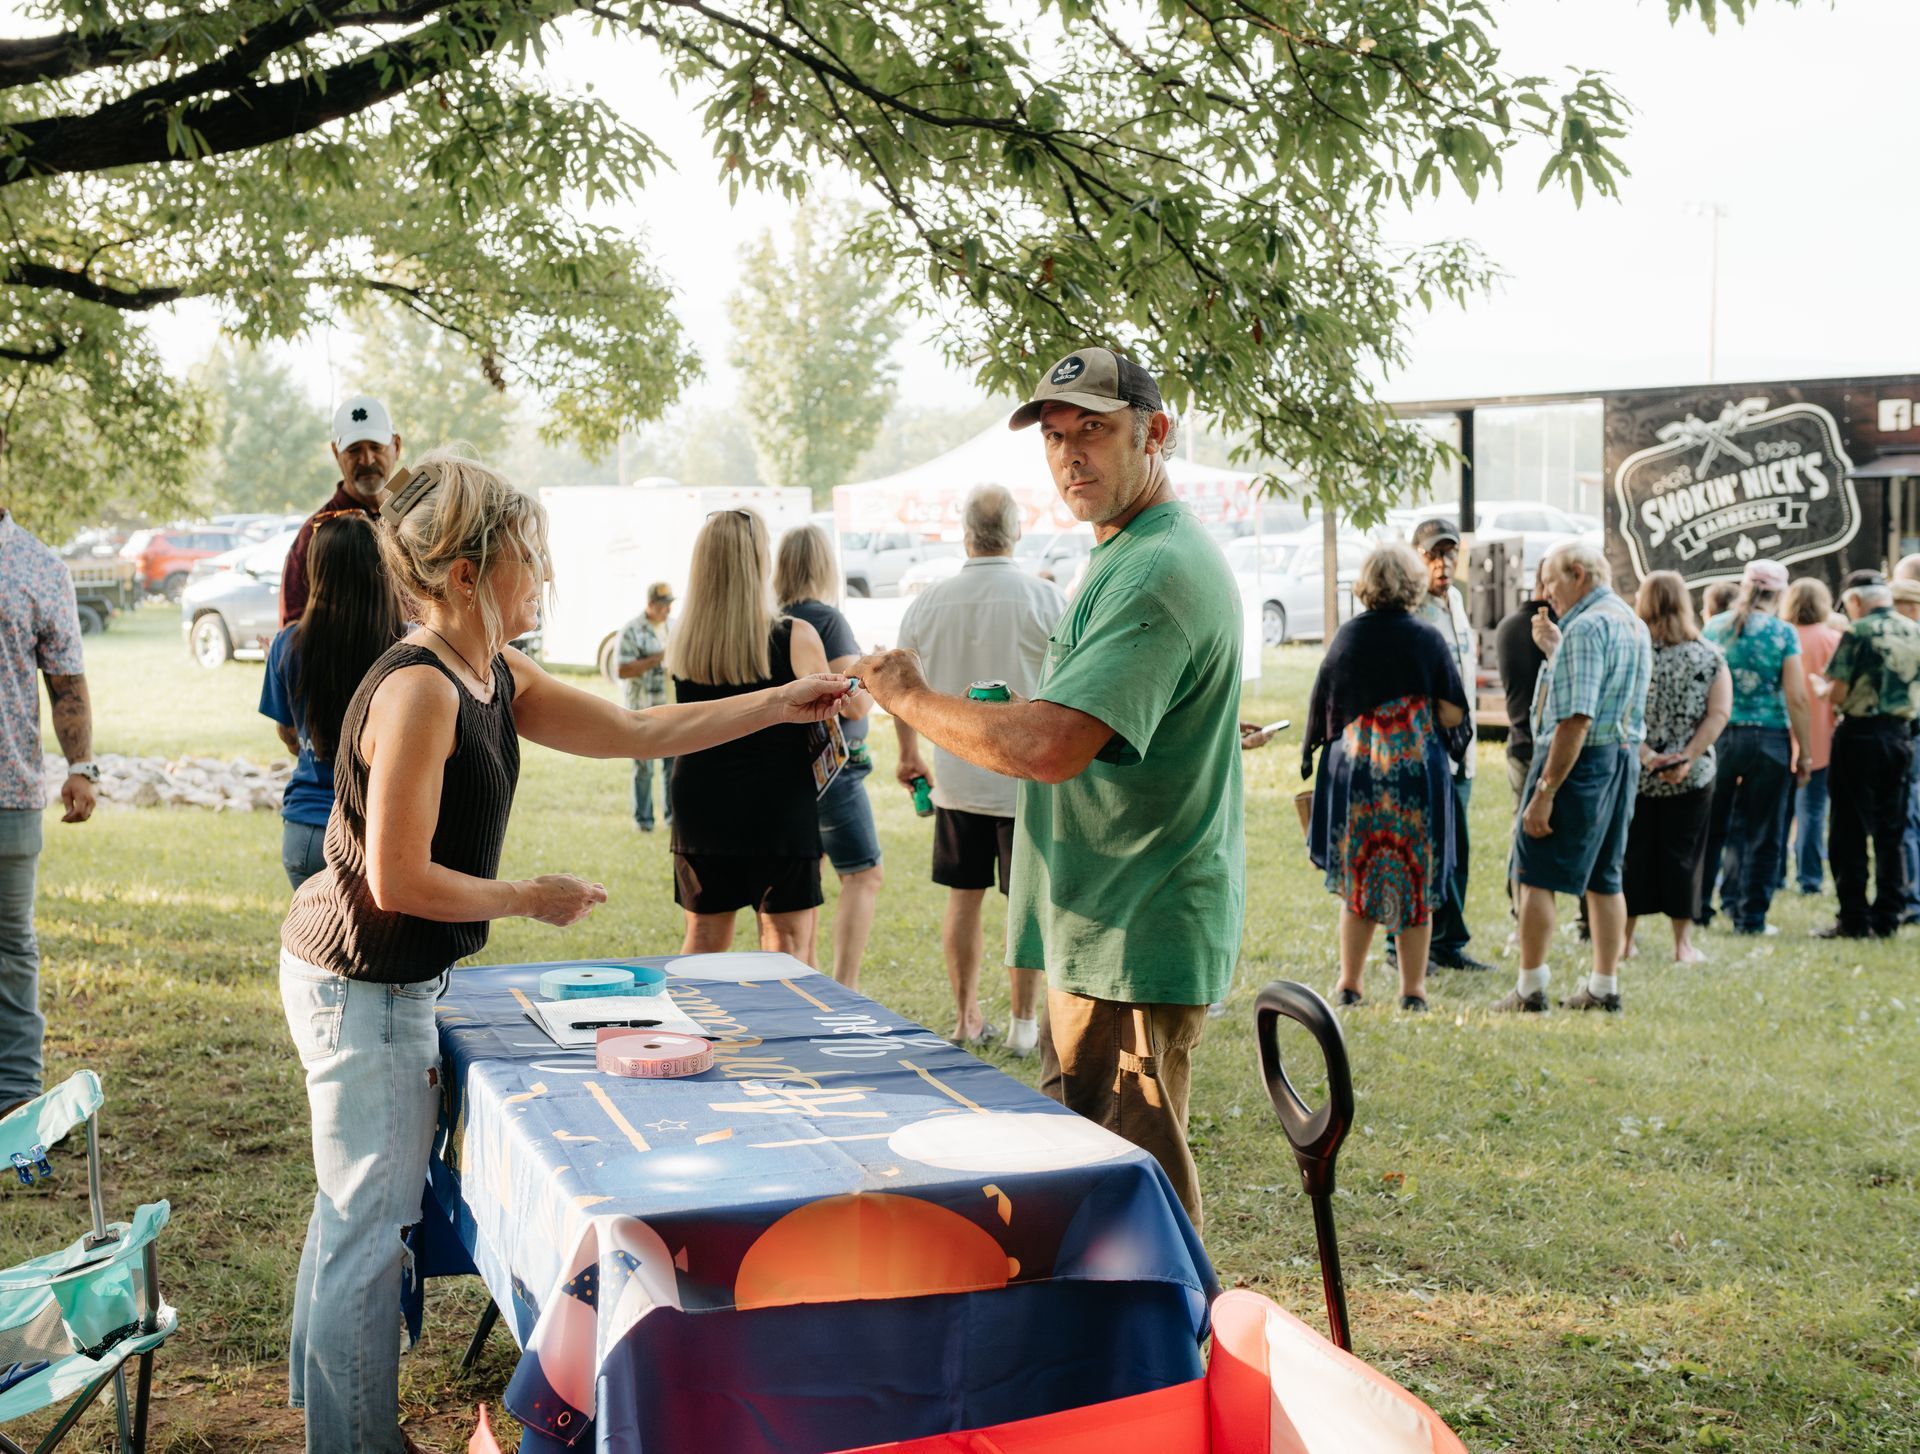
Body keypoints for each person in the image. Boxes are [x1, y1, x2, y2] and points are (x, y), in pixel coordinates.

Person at [278, 454, 848, 1454]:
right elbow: (395, 879)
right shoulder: (420, 690)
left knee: (355, 1217)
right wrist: (524, 899)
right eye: (527, 558)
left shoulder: (494, 666)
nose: (540, 575)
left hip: (389, 975)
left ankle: (328, 1411)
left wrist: (776, 701)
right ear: (465, 575)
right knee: (368, 1233)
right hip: (357, 982)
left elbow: (633, 729)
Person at [853, 346, 1242, 1230]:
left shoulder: (1156, 568)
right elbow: (1076, 721)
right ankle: (1105, 1354)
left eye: (1095, 432)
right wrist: (1017, 712)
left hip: (1135, 928)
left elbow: (1054, 746)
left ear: (1156, 434)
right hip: (1100, 923)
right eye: (1057, 437)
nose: (1071, 455)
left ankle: (1165, 1355)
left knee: (1129, 1201)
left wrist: (911, 699)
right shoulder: (1122, 551)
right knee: (1082, 1178)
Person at [894, 484, 1067, 1050]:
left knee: (962, 899)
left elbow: (901, 687)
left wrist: (908, 753)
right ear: (1015, 533)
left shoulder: (927, 602)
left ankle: (966, 1016)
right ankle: (1021, 1025)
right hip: (1027, 778)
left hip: (958, 773)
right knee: (1028, 904)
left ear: (966, 533)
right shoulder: (1046, 599)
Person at [1304, 543, 1468, 1013]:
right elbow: (1455, 713)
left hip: (1359, 776)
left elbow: (1326, 708)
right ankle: (1412, 992)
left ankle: (1350, 983)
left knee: (1360, 878)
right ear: (1412, 584)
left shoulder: (1349, 637)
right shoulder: (1427, 639)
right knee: (1416, 881)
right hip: (1416, 776)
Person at [668, 509, 838, 956]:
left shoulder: (683, 639)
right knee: (786, 943)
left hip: (702, 800)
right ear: (760, 561)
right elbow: (830, 709)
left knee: (703, 939)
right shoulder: (794, 635)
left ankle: (689, 1028)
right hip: (779, 802)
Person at [1498, 541, 1652, 1014]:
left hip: (1580, 761)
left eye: (1550, 580)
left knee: (1535, 872)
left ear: (1578, 574)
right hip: (1621, 760)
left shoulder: (1586, 626)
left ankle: (1529, 988)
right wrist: (1556, 650)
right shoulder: (1631, 620)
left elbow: (1576, 720)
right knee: (1606, 877)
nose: (1545, 593)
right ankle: (1604, 987)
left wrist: (1543, 792)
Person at [0, 508, 96, 1119]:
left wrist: (81, 767)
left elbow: (67, 684)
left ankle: (15, 1104)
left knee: (12, 949)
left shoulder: (38, 566)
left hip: (8, 794)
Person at [259, 514, 405, 889]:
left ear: (316, 574)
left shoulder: (287, 645)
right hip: (373, 834)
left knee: (314, 947)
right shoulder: (407, 649)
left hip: (305, 832)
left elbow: (290, 736)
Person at [773, 523, 884, 986]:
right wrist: (874, 670)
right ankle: (846, 985)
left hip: (785, 770)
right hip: (834, 769)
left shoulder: (774, 619)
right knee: (864, 875)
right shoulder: (828, 621)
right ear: (824, 566)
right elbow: (852, 701)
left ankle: (808, 980)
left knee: (807, 885)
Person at [1384, 518, 1487, 971]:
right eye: (1433, 554)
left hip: (1462, 751)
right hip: (1423, 751)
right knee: (1415, 850)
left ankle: (1448, 943)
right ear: (1416, 558)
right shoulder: (1409, 611)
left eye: (1450, 553)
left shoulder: (1457, 601)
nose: (1443, 563)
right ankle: (1398, 946)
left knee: (1456, 851)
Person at [1620, 571, 1730, 965]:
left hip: (1637, 773)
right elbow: (1718, 713)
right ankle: (1682, 945)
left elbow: (1616, 711)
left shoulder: (1631, 650)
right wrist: (1688, 757)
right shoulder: (1708, 654)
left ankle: (1624, 941)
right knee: (1685, 856)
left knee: (1632, 854)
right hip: (1692, 775)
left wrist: (1648, 757)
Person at [1698, 560, 1813, 934]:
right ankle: (1751, 918)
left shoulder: (1715, 627)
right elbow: (1796, 696)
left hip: (1722, 735)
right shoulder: (1782, 633)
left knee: (1712, 826)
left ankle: (1698, 907)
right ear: (1779, 594)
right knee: (1764, 831)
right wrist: (1806, 752)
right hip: (1770, 739)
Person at [1812, 570, 1920, 939]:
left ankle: (1854, 918)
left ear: (1855, 602)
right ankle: (1888, 915)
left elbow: (1840, 694)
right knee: (1893, 830)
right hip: (1901, 737)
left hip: (1859, 737)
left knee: (1849, 830)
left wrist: (1824, 691)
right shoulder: (1913, 630)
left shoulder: (1857, 632)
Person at [281, 394, 399, 625]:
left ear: (396, 445)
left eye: (376, 447)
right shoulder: (317, 533)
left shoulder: (417, 520)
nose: (366, 460)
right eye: (354, 450)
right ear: (336, 452)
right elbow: (292, 630)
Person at [1783, 578, 1843, 894]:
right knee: (1813, 809)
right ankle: (1809, 878)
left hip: (1784, 731)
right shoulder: (1834, 638)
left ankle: (1777, 873)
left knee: (1779, 811)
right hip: (1824, 734)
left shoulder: (1781, 636)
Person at [614, 581, 675, 832]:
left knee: (672, 764)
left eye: (670, 605)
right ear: (650, 604)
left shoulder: (673, 627)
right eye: (663, 606)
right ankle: (644, 820)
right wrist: (657, 659)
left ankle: (673, 817)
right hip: (642, 708)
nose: (667, 611)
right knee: (644, 766)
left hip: (670, 707)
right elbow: (622, 669)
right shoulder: (632, 630)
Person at [1495, 592, 1557, 812]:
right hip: (1551, 749)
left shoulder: (1506, 627)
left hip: (1518, 741)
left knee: (1519, 819)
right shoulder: (1560, 627)